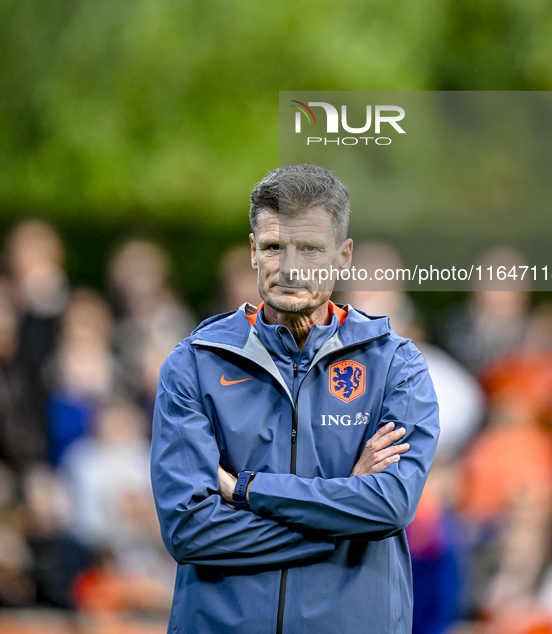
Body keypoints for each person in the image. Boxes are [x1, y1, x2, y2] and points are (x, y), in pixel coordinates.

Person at [151, 164, 440, 634]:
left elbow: (390, 506)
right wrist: (343, 522)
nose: (289, 268)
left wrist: (245, 490)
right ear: (252, 251)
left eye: (309, 248)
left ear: (343, 257)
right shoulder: (193, 364)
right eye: (272, 248)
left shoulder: (396, 365)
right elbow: (188, 530)